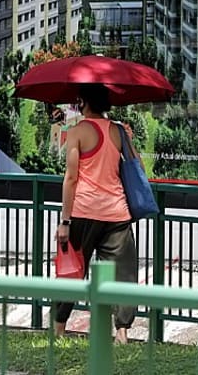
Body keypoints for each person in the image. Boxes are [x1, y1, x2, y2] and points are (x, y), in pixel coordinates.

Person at [54, 83, 138, 344]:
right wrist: (129, 140)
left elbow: (70, 179)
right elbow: (136, 166)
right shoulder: (119, 131)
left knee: (71, 271)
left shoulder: (77, 132)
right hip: (117, 214)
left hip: (84, 212)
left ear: (83, 102)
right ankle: (122, 332)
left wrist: (65, 222)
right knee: (122, 273)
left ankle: (58, 330)